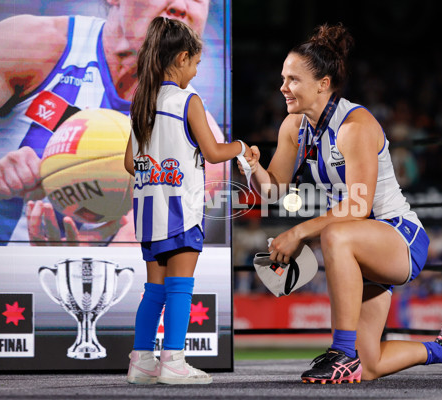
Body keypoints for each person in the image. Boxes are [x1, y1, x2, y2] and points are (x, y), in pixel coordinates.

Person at [239, 23, 442, 383]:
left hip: (398, 238)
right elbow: (272, 192)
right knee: (370, 366)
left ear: (323, 84)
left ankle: (342, 354)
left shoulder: (354, 126)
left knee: (335, 235)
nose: (283, 87)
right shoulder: (293, 126)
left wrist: (298, 233)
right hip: (361, 250)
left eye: (293, 79)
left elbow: (357, 206)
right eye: (283, 78)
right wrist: (253, 167)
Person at [0, 0, 225, 246]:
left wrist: (87, 255)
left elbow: (135, 249)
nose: (183, 5)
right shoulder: (29, 43)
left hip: (88, 283)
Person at [124, 17, 250, 385]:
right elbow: (213, 153)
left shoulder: (141, 102)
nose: (195, 70)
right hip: (179, 212)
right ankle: (174, 362)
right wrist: (241, 147)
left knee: (154, 290)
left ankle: (142, 361)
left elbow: (130, 163)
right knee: (180, 287)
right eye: (195, 62)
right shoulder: (187, 100)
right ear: (181, 58)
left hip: (148, 216)